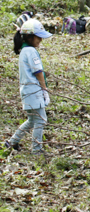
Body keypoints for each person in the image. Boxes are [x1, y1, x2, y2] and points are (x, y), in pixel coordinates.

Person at [4, 20, 52, 154]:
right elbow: (38, 72)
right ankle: (37, 149)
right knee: (41, 120)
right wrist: (44, 89)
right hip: (34, 90)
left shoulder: (24, 50)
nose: (41, 40)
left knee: (32, 120)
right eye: (38, 37)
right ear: (29, 37)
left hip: (26, 91)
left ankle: (12, 142)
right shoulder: (30, 51)